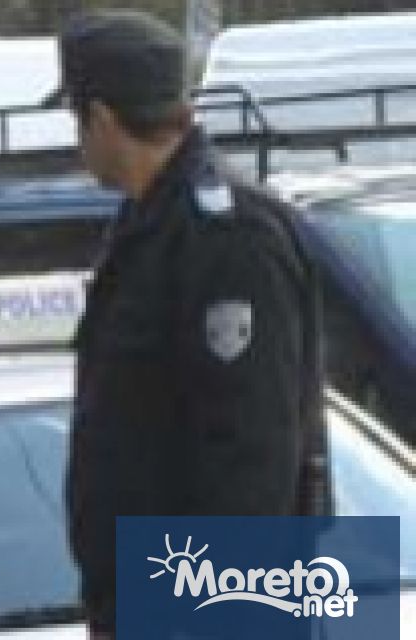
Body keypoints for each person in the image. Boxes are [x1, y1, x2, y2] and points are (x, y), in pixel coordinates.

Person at [56, 10, 330, 637]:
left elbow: (249, 456)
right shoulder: (151, 224)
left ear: (102, 118)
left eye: (77, 119)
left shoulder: (228, 239)